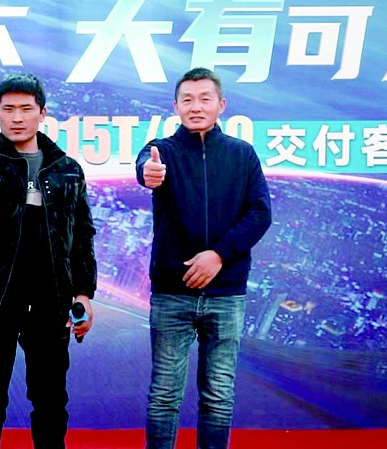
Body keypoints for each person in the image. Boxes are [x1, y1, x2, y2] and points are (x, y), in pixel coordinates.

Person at [0, 73, 97, 449]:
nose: (17, 117)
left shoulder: (67, 169)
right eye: (8, 109)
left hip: (51, 300)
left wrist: (83, 293)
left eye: (26, 108)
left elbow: (82, 234)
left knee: (50, 400)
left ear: (42, 113)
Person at [135, 67, 272, 449]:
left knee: (218, 397)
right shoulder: (162, 151)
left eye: (205, 99)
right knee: (164, 395)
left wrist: (218, 255)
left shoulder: (242, 154)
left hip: (226, 293)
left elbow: (260, 213)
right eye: (188, 100)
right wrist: (149, 172)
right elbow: (146, 167)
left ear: (221, 105)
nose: (196, 107)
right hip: (172, 293)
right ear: (176, 106)